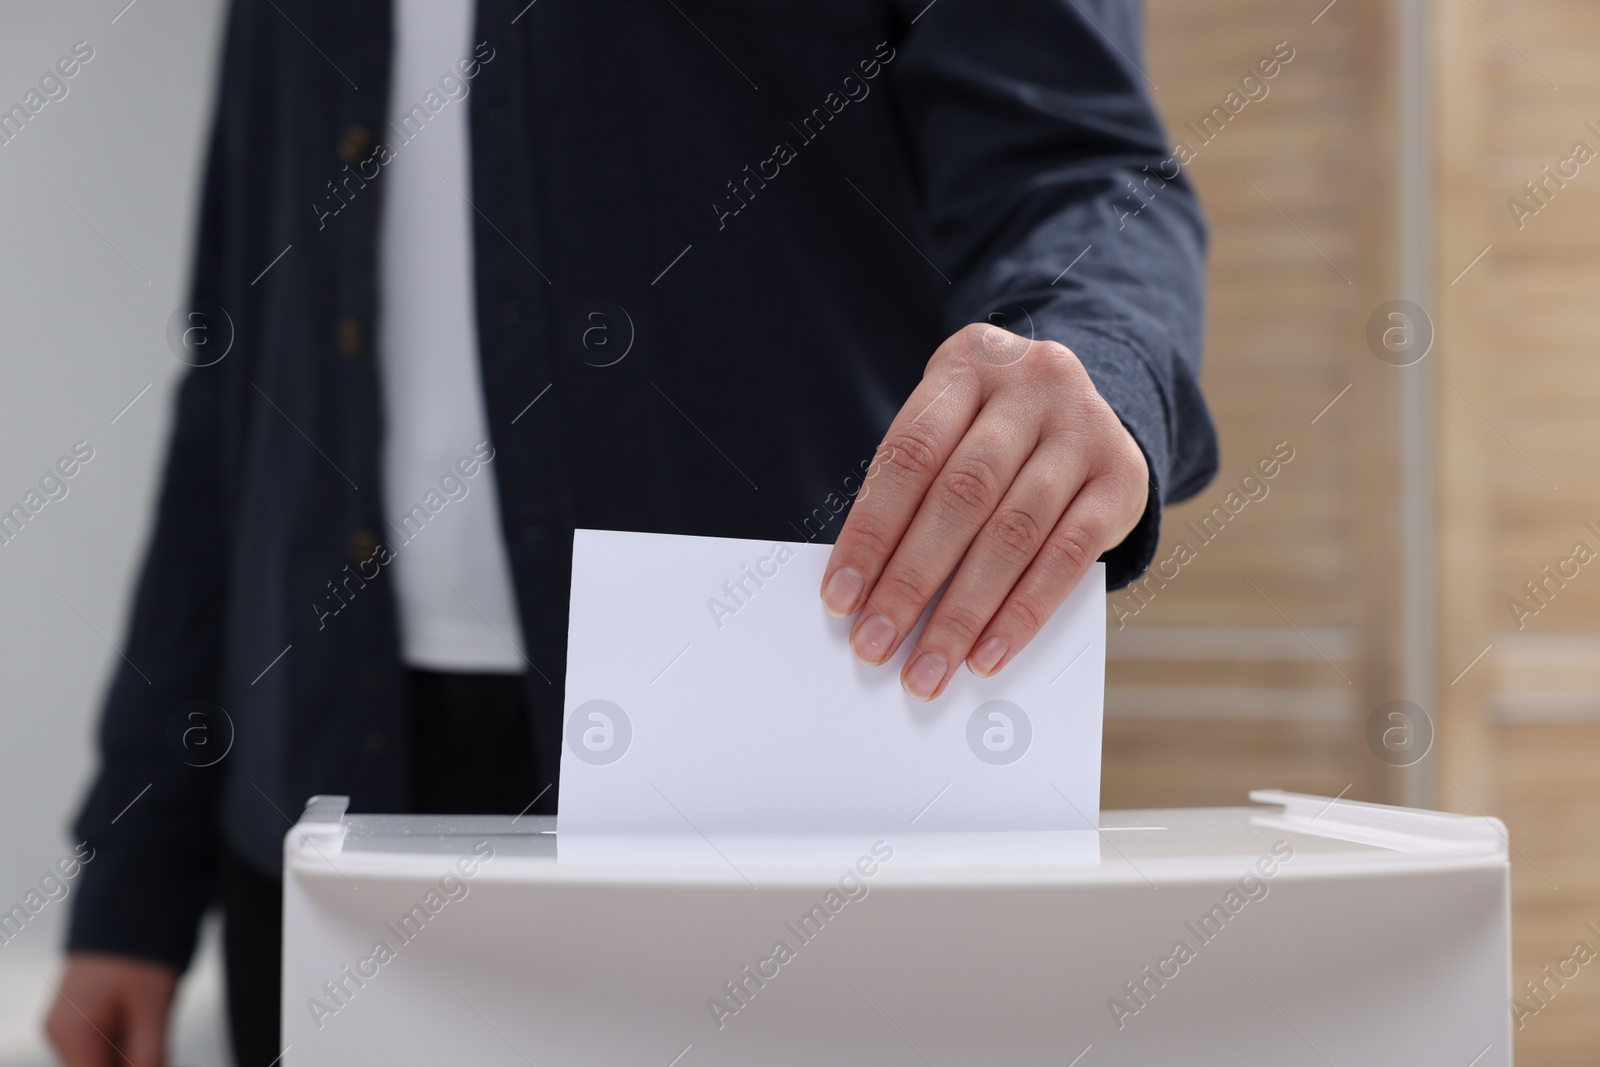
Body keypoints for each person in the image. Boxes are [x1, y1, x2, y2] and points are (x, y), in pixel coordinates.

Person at [46, 0, 1216, 1063]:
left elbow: (1082, 168)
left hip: (760, 784)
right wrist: (135, 877)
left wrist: (1091, 362)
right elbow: (239, 381)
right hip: (318, 799)